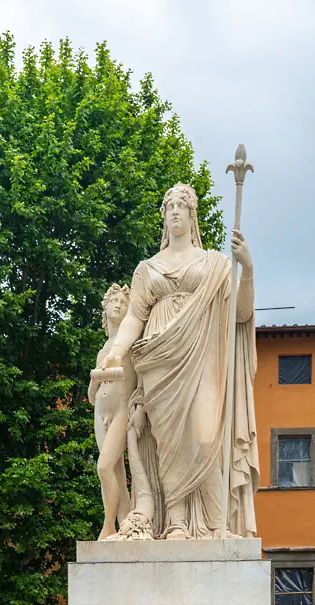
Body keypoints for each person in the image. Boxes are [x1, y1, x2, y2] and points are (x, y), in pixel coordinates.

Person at [100, 183, 259, 540]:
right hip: (158, 358)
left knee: (204, 437)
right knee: (165, 443)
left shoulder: (216, 265)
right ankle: (174, 520)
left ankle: (214, 524)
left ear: (192, 215)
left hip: (202, 357)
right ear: (164, 217)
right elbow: (133, 318)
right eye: (169, 206)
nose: (175, 211)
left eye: (181, 206)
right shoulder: (146, 269)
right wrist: (117, 350)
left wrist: (246, 270)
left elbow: (242, 312)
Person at [88, 284, 136, 540]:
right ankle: (125, 525)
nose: (117, 305)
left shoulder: (128, 344)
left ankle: (108, 527)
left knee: (103, 467)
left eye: (123, 302)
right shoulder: (102, 349)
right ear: (105, 308)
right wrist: (96, 380)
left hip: (121, 411)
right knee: (116, 473)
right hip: (101, 415)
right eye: (113, 301)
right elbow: (90, 396)